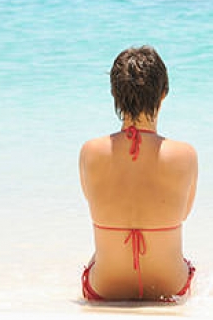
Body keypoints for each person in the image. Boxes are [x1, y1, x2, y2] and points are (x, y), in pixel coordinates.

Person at [79, 46, 198, 302]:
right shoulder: (185, 154)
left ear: (114, 93)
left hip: (105, 287)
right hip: (170, 286)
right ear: (163, 94)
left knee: (96, 256)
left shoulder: (90, 152)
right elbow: (182, 214)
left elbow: (92, 201)